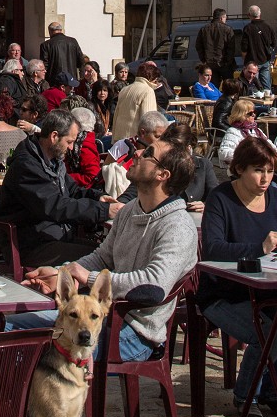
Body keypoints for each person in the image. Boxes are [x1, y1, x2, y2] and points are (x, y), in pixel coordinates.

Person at [20, 143, 199, 359]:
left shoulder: (177, 226)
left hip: (135, 334)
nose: (138, 152)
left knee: (25, 347)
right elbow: (102, 258)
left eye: (149, 153)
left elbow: (154, 287)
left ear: (163, 174)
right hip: (102, 320)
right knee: (4, 329)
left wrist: (88, 278)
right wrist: (61, 274)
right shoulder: (131, 210)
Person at [200, 137, 277, 417]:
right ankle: (245, 396)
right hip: (225, 294)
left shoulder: (275, 195)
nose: (265, 178)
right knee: (269, 336)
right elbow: (213, 248)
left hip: (269, 291)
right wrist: (259, 249)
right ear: (239, 168)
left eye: (270, 171)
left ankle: (270, 389)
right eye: (258, 170)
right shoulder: (221, 198)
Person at [0, 110, 121, 263]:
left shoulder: (53, 161)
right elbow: (55, 206)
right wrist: (103, 211)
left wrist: (98, 197)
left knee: (109, 253)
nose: (71, 148)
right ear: (54, 136)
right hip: (29, 245)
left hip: (51, 237)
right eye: (69, 142)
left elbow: (72, 190)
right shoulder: (27, 165)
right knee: (103, 260)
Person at [217, 99, 275, 172]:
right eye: (250, 113)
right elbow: (223, 153)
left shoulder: (256, 130)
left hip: (261, 167)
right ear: (241, 115)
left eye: (254, 112)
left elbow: (272, 147)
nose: (254, 115)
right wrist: (247, 157)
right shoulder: (233, 131)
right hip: (242, 172)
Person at [110, 61, 159, 141]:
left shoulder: (124, 89)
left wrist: (114, 141)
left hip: (119, 140)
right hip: (135, 143)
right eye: (156, 79)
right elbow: (148, 121)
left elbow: (116, 117)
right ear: (152, 77)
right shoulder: (148, 91)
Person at [64, 106, 103, 189]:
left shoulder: (84, 145)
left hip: (80, 190)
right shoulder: (80, 140)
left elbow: (91, 175)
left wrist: (65, 177)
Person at [241, 5, 276, 94]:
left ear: (249, 15)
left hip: (252, 61)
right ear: (260, 13)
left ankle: (255, 105)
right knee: (266, 87)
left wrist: (245, 61)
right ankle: (268, 105)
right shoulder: (268, 26)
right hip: (265, 60)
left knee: (253, 87)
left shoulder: (248, 28)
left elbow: (244, 47)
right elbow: (274, 42)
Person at [39, 21, 83, 87]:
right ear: (61, 30)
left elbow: (45, 65)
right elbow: (81, 61)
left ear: (50, 31)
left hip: (54, 81)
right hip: (71, 80)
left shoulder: (46, 44)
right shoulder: (73, 41)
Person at [195, 9, 236, 80]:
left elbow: (198, 46)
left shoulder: (204, 29)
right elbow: (231, 48)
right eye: (225, 18)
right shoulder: (228, 29)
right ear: (221, 18)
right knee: (229, 87)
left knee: (213, 87)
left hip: (210, 64)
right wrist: (228, 61)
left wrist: (204, 60)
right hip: (224, 64)